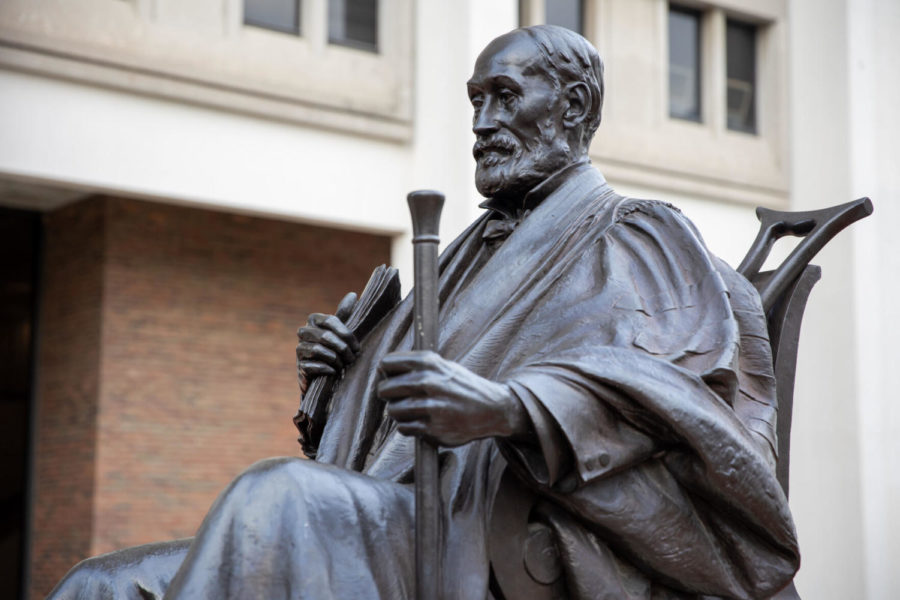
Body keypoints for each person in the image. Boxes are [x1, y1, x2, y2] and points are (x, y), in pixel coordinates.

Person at [49, 25, 799, 600]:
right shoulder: (467, 249)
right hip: (396, 516)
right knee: (100, 584)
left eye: (506, 96)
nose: (483, 122)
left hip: (487, 533)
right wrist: (340, 379)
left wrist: (511, 408)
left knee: (277, 498)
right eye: (477, 101)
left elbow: (672, 378)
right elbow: (377, 449)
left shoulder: (638, 230)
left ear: (572, 107)